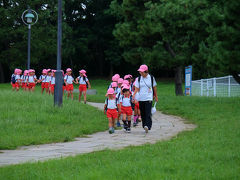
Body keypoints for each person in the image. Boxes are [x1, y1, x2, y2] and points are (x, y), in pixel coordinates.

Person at [133, 64, 158, 133]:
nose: (140, 73)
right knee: (143, 113)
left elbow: (154, 87)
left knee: (148, 112)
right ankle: (144, 126)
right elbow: (136, 88)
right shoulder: (138, 79)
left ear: (146, 71)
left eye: (142, 72)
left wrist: (156, 96)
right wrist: (134, 95)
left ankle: (148, 126)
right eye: (140, 72)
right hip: (141, 98)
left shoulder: (151, 78)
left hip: (149, 98)